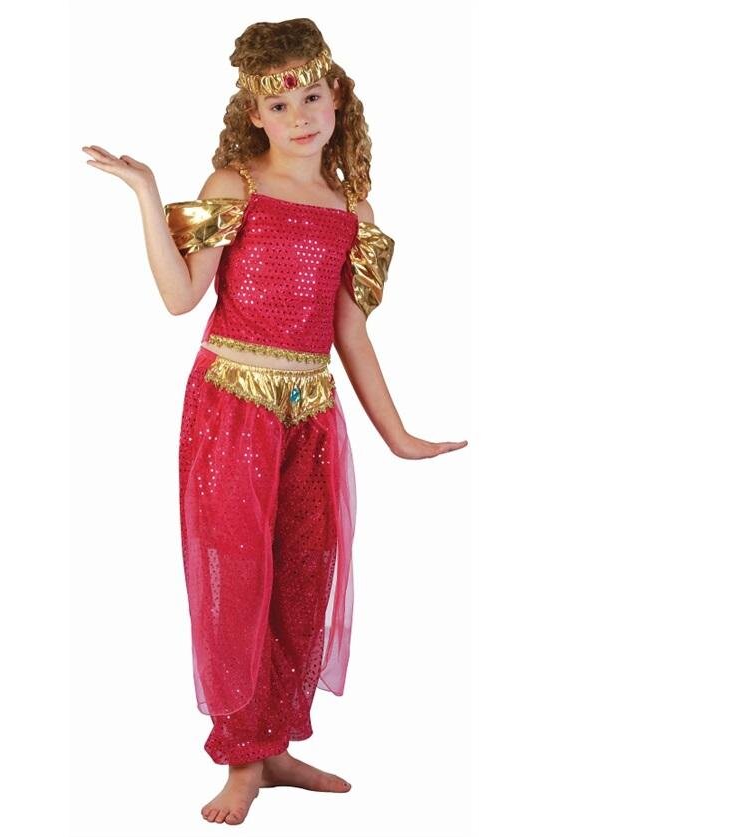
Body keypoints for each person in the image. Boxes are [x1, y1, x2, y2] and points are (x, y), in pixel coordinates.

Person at [83, 17, 468, 826]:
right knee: (236, 576)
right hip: (233, 406)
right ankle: (240, 756)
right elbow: (181, 297)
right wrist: (148, 194)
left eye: (311, 96)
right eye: (280, 103)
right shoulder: (236, 184)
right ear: (254, 114)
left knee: (302, 575)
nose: (299, 115)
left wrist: (398, 435)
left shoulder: (352, 207)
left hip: (312, 412)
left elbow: (349, 333)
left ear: (338, 98)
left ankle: (278, 742)